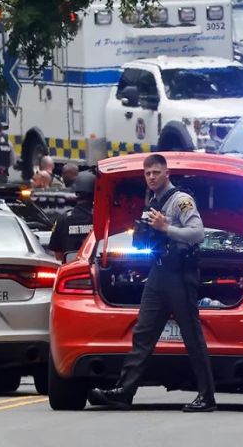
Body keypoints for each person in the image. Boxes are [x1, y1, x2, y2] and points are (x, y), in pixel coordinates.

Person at [88, 154, 216, 413]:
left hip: (180, 274)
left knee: (192, 336)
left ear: (167, 173)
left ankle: (207, 396)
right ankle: (124, 391)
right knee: (143, 334)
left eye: (156, 172)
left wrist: (166, 227)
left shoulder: (181, 200)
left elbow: (198, 233)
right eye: (147, 174)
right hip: (158, 273)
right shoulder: (152, 200)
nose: (151, 177)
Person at [47, 171, 95, 261]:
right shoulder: (100, 218)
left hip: (71, 270)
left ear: (76, 193)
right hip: (95, 269)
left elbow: (58, 254)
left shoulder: (63, 219)